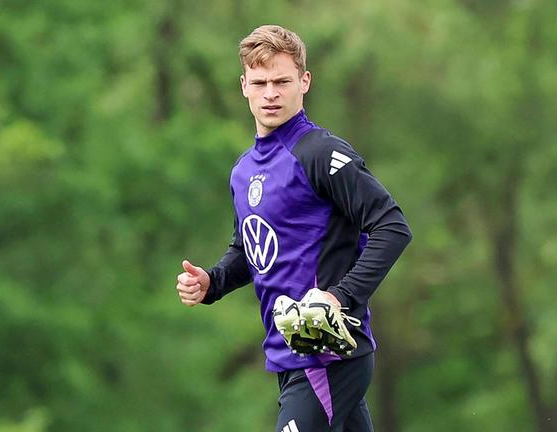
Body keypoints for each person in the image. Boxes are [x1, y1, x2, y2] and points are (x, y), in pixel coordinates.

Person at [175, 24, 412, 432]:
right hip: (287, 358)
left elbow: (392, 226)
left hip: (327, 356)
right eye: (260, 83)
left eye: (282, 81)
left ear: (304, 82)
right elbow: (250, 250)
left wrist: (340, 296)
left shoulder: (321, 153)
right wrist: (211, 282)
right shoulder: (243, 171)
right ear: (244, 87)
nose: (271, 93)